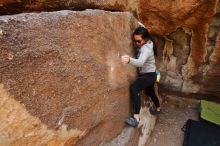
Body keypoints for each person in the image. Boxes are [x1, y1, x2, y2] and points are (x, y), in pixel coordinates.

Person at [121, 26, 161, 127]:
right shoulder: (149, 42)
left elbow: (140, 62)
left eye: (139, 41)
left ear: (145, 39)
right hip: (152, 75)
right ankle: (158, 108)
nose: (136, 44)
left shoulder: (145, 49)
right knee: (150, 92)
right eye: (135, 41)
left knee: (134, 87)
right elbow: (143, 30)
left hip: (148, 76)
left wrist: (129, 60)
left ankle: (136, 118)